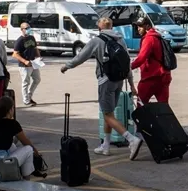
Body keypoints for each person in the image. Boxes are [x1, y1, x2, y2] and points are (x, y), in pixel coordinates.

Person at [60, 17, 143, 160]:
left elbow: (81, 57)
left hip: (106, 81)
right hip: (119, 80)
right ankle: (105, 146)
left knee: (107, 115)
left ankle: (132, 139)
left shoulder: (96, 41)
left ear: (99, 28)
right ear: (111, 27)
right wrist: (131, 84)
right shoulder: (120, 40)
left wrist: (66, 66)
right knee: (109, 113)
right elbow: (127, 62)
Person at [0, 96, 43, 180]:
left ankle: (20, 172)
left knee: (12, 145)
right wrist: (37, 153)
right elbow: (25, 142)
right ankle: (26, 180)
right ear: (10, 110)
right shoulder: (12, 124)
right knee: (28, 149)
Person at [130, 15, 171, 104]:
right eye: (137, 26)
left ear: (148, 26)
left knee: (141, 106)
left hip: (151, 77)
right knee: (164, 107)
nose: (138, 28)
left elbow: (141, 58)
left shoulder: (149, 38)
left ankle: (142, 118)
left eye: (141, 26)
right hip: (163, 75)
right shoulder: (157, 36)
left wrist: (129, 67)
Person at [12, 22, 41, 107]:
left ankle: (29, 95)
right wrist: (24, 61)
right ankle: (26, 100)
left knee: (37, 79)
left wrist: (38, 57)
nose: (29, 29)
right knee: (26, 82)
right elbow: (15, 54)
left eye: (29, 27)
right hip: (24, 65)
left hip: (33, 63)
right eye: (26, 28)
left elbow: (35, 48)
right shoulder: (20, 40)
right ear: (22, 30)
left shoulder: (32, 38)